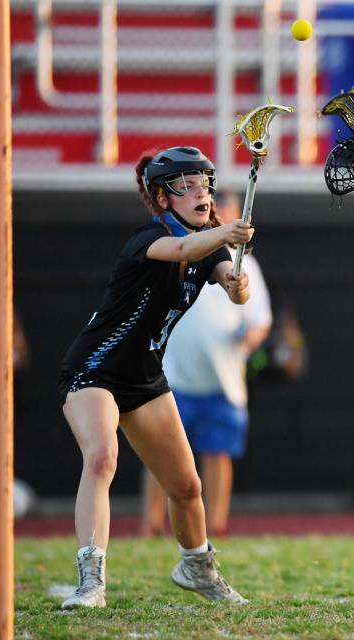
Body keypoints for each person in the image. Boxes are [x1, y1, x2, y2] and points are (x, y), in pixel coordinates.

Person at [57, 146, 253, 609]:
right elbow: (184, 249)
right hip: (94, 369)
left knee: (187, 487)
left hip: (145, 379)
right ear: (164, 199)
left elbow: (232, 285)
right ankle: (90, 581)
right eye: (187, 186)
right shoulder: (148, 238)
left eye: (204, 183)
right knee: (103, 458)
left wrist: (237, 282)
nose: (200, 192)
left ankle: (196, 567)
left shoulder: (213, 246)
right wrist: (226, 230)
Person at [141, 190, 273, 538]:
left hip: (223, 380)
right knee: (161, 454)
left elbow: (258, 317)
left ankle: (216, 525)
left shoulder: (247, 265)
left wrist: (248, 336)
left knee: (217, 454)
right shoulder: (176, 251)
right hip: (174, 377)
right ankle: (151, 524)